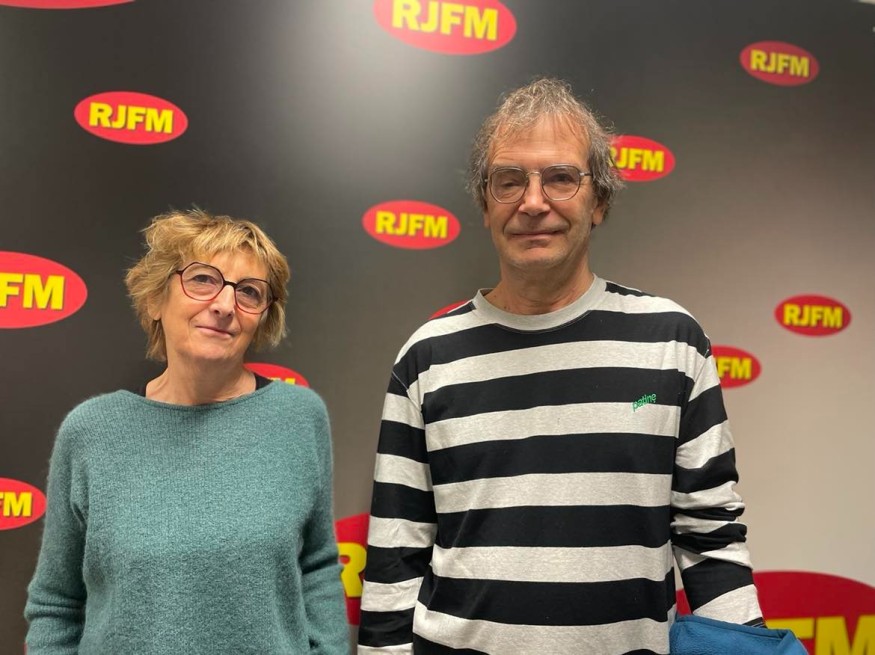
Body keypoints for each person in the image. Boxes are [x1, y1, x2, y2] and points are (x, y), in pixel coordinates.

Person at [357, 78, 763, 655]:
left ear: (599, 202)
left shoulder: (672, 342)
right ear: (485, 204)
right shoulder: (427, 357)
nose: (532, 202)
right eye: (509, 180)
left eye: (561, 178)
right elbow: (394, 558)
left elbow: (711, 538)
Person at [25, 209, 349, 654]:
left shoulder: (299, 418)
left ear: (262, 317)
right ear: (155, 300)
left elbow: (318, 567)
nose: (224, 305)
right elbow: (56, 603)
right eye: (202, 280)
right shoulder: (91, 432)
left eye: (249, 292)